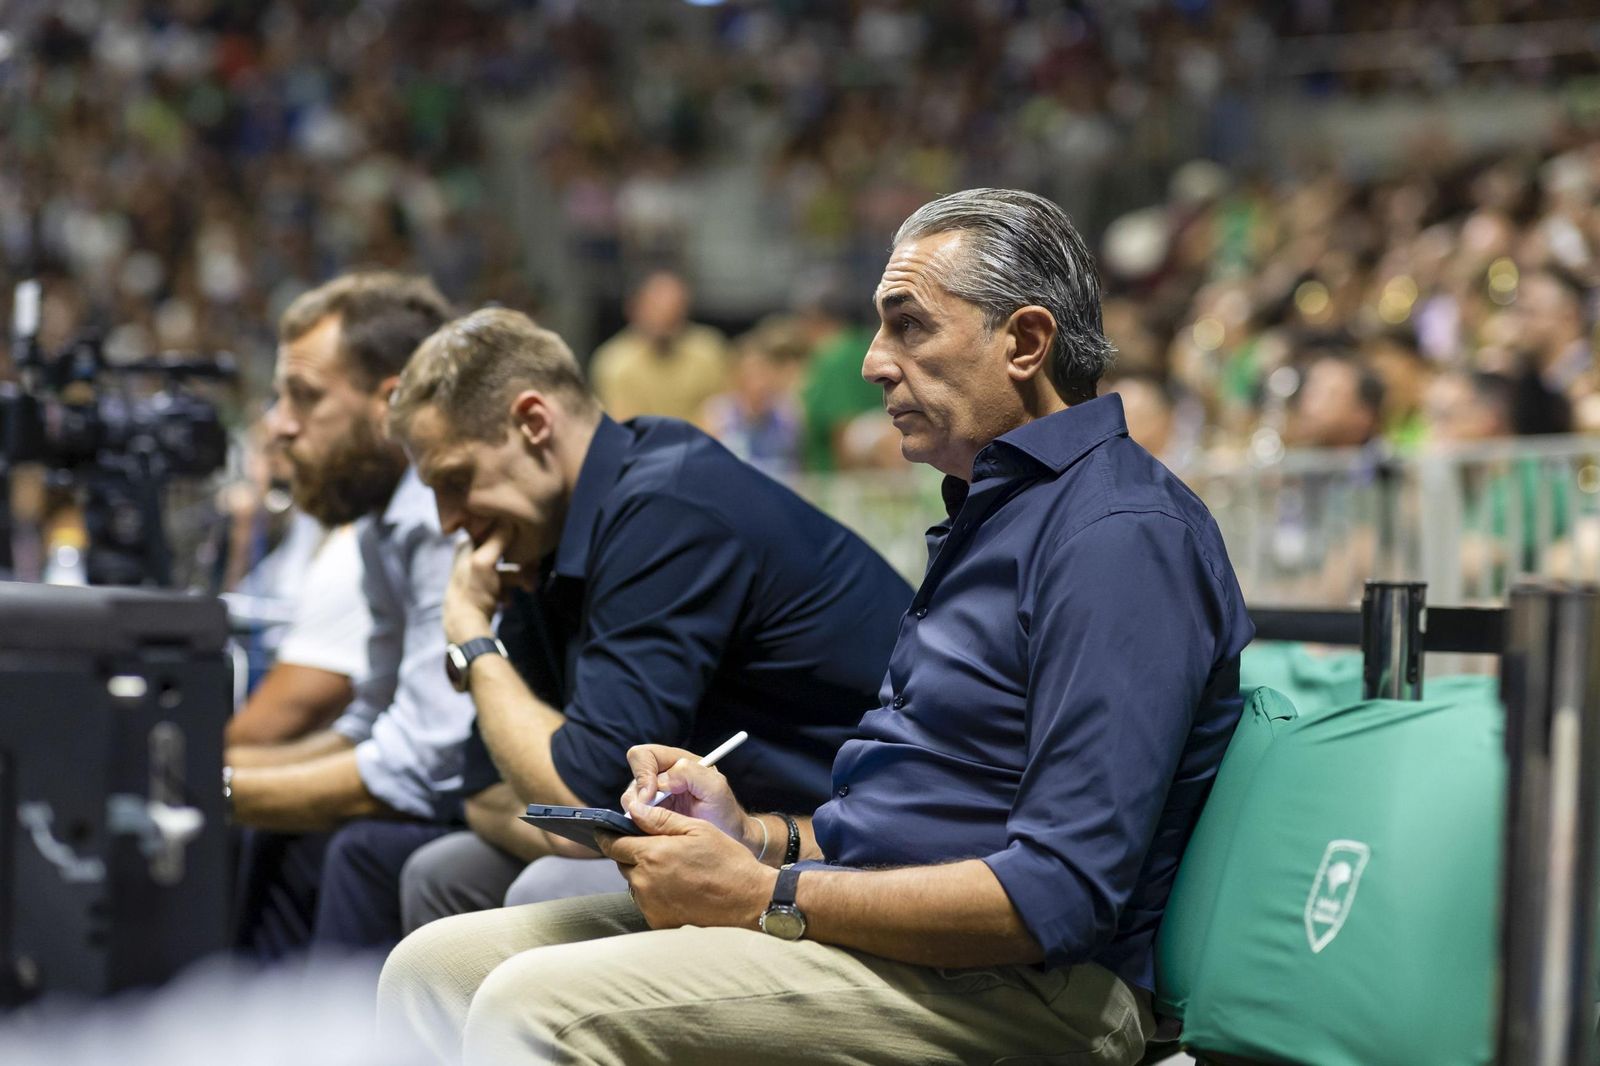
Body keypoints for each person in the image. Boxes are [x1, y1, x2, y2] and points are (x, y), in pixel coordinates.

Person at [378, 188, 1253, 1065]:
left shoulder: (1119, 538)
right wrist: (747, 831)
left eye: (908, 326)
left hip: (1042, 988)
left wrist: (767, 891)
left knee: (536, 1009)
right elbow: (890, 818)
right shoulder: (1002, 508)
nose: (873, 363)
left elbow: (1059, 897)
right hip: (892, 929)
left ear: (1024, 343)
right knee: (432, 968)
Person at [369, 306, 910, 941]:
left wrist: (471, 637)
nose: (449, 521)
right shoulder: (545, 533)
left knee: (546, 887)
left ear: (533, 423)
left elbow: (573, 804)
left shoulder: (665, 508)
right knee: (441, 870)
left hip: (851, 840)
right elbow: (487, 791)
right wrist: (562, 810)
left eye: (456, 481)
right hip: (713, 823)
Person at [227, 272, 477, 959]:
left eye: (304, 397)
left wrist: (218, 790)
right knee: (271, 827)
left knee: (360, 848)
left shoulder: (439, 513)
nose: (278, 424)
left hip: (510, 808)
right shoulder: (377, 520)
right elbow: (369, 725)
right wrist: (226, 787)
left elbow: (423, 765)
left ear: (389, 402)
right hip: (437, 782)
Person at [588, 270, 730, 422]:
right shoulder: (614, 363)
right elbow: (627, 427)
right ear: (634, 308)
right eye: (656, 308)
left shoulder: (709, 350)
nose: (665, 316)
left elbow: (724, 414)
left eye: (674, 310)